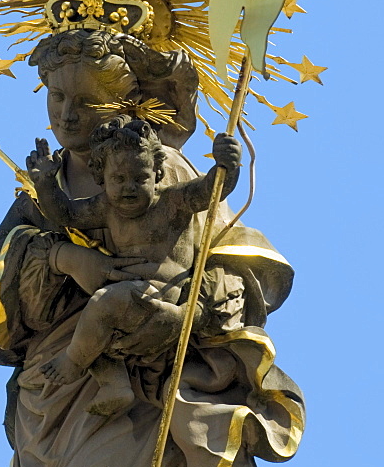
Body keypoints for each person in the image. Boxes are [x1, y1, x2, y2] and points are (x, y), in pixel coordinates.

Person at [0, 28, 304, 467]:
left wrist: (190, 310)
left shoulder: (158, 170)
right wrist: (67, 258)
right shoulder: (41, 196)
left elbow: (239, 274)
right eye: (56, 98)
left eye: (88, 102)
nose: (68, 115)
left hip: (151, 397)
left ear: (124, 103)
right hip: (59, 406)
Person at [27, 117, 242, 415]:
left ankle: (72, 362)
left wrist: (227, 166)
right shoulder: (107, 207)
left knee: (103, 304)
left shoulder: (173, 202)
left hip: (160, 298)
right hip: (125, 299)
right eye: (118, 179)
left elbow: (212, 189)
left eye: (139, 178)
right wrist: (45, 183)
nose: (128, 188)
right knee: (92, 328)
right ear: (101, 177)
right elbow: (66, 215)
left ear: (157, 173)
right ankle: (115, 384)